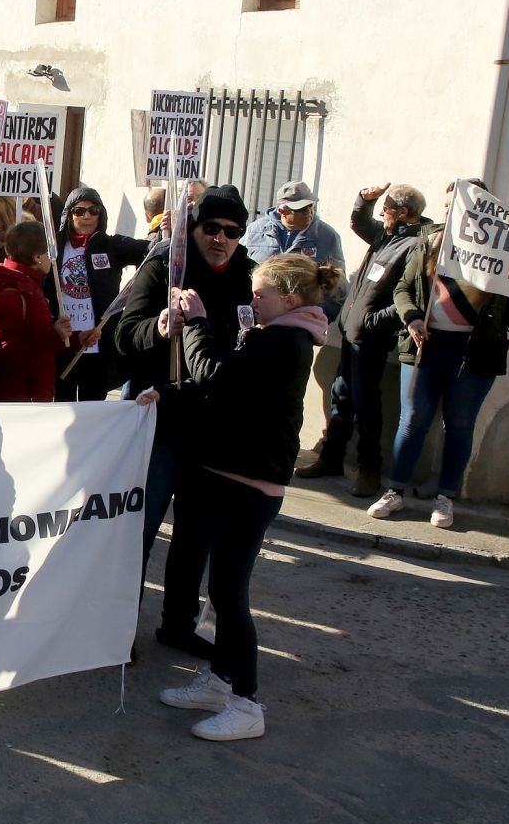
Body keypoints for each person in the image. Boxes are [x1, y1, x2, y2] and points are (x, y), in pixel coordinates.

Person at [158, 253, 340, 741]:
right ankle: (220, 681)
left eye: (261, 294)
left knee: (229, 595)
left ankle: (247, 701)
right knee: (220, 591)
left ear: (291, 298)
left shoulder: (286, 339)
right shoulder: (276, 335)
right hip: (233, 471)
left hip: (250, 482)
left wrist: (195, 324)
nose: (252, 300)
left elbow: (214, 377)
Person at [113, 184, 257, 649]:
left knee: (197, 537)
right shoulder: (164, 266)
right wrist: (158, 326)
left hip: (213, 429)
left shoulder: (248, 276)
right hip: (159, 422)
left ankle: (177, 625)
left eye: (231, 231)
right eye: (211, 227)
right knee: (139, 532)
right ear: (194, 227)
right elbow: (124, 336)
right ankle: (116, 631)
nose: (220, 238)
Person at [369, 185, 509, 528]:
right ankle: (395, 491)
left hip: (475, 353)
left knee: (459, 425)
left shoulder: (503, 251)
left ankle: (445, 497)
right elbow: (404, 288)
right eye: (448, 205)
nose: (451, 211)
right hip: (425, 345)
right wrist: (412, 317)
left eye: (459, 205)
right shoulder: (429, 241)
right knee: (413, 420)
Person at [296, 183, 433, 496]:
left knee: (366, 407)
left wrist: (373, 321)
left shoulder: (414, 246)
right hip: (351, 334)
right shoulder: (388, 236)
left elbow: (408, 296)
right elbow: (360, 223)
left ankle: (369, 470)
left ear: (404, 213)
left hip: (370, 340)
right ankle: (331, 458)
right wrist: (364, 201)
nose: (382, 211)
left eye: (386, 206)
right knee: (340, 398)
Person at [53, 186, 150, 401]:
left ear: (101, 214)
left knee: (93, 408)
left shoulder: (111, 245)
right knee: (62, 408)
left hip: (97, 341)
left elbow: (153, 249)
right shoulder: (54, 247)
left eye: (93, 210)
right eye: (79, 211)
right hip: (64, 342)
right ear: (69, 215)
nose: (86, 216)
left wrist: (165, 228)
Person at [0, 221, 71, 402]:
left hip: (29, 395)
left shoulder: (28, 285)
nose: (53, 258)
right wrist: (55, 336)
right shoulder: (14, 293)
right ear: (38, 257)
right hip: (18, 398)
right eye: (49, 252)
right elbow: (10, 353)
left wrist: (77, 339)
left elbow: (35, 339)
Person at [240, 181, 345, 270]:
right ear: (282, 211)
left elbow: (338, 284)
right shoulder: (255, 231)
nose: (309, 212)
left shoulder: (327, 236)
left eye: (310, 206)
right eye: (302, 209)